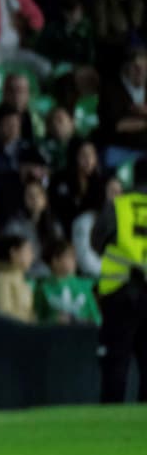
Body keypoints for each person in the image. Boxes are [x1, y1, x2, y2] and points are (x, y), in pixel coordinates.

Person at [91, 157, 147, 402]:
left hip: (120, 292)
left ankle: (109, 423)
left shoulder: (118, 205)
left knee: (116, 361)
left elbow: (96, 241)